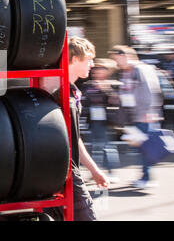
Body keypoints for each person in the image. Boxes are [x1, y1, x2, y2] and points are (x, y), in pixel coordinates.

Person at [44, 36, 110, 221]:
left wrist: (94, 170)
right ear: (74, 59)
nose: (93, 64)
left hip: (57, 172)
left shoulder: (70, 91)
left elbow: (73, 137)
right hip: (63, 172)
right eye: (89, 59)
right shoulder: (57, 89)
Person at [109, 45, 163, 188]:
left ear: (125, 56)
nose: (117, 62)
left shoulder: (141, 69)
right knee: (140, 147)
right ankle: (145, 176)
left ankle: (147, 178)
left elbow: (150, 90)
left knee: (145, 147)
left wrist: (150, 111)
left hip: (143, 115)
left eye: (117, 58)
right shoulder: (127, 72)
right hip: (132, 116)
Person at [81, 58, 121, 182]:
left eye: (100, 70)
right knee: (94, 146)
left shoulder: (112, 84)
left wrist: (105, 89)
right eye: (95, 70)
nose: (96, 72)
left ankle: (111, 172)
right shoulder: (88, 85)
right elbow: (84, 100)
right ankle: (95, 172)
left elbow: (115, 100)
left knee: (107, 146)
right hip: (93, 120)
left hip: (107, 120)